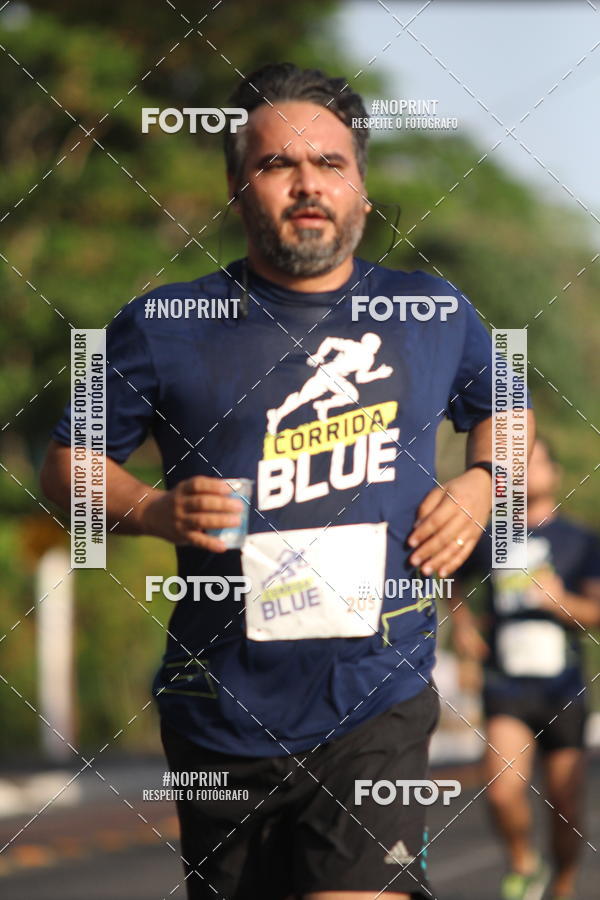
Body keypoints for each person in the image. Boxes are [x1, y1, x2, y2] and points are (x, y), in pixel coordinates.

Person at [40, 62, 533, 900]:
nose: (308, 185)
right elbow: (65, 465)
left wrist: (485, 484)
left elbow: (510, 404)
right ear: (238, 189)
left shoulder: (432, 311)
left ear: (363, 191)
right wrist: (155, 509)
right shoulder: (160, 323)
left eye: (330, 164)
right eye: (278, 165)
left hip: (377, 689)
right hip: (220, 704)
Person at [451, 438, 600, 900]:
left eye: (535, 461)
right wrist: (461, 627)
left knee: (567, 808)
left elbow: (595, 611)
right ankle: (522, 860)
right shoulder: (493, 536)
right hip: (506, 685)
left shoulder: (580, 539)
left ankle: (562, 886)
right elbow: (450, 577)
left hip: (562, 688)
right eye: (518, 464)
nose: (526, 471)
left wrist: (562, 602)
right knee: (501, 789)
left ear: (554, 474)